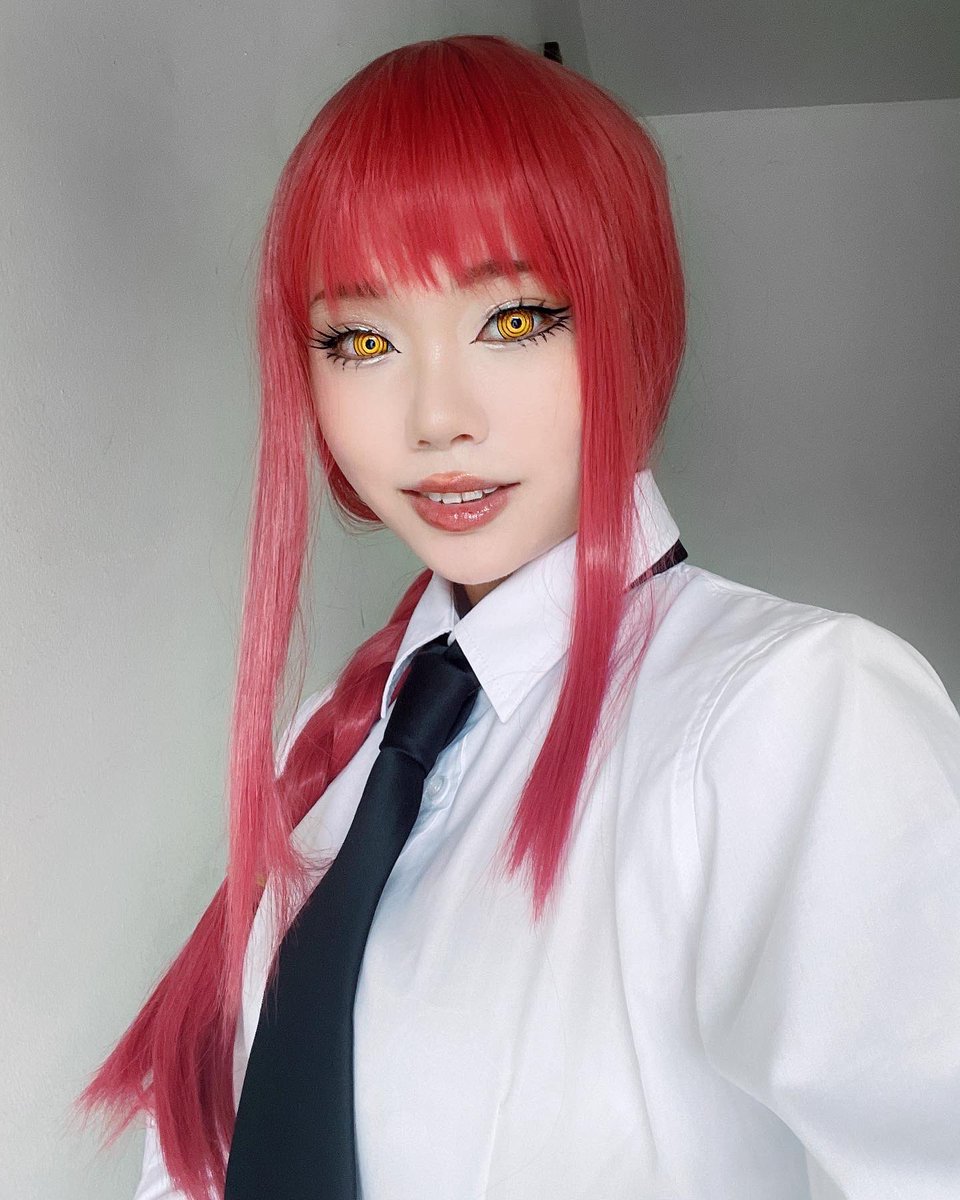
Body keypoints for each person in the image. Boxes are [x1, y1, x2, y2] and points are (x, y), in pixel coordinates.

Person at [77, 33, 960, 1200]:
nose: (437, 416)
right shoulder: (329, 746)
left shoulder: (791, 714)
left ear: (632, 319)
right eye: (361, 340)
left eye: (515, 320)